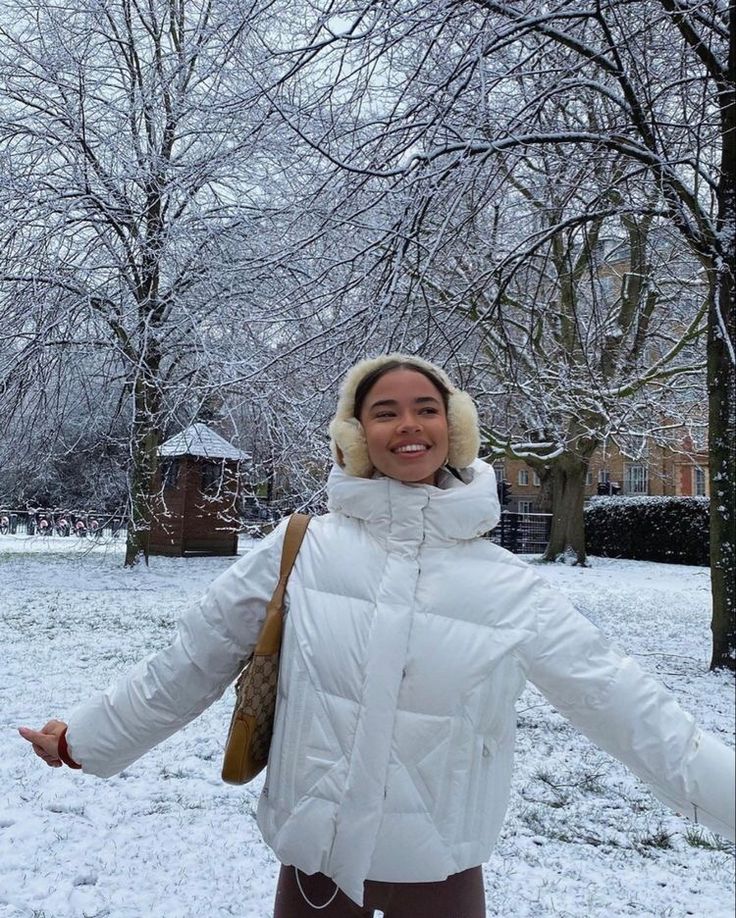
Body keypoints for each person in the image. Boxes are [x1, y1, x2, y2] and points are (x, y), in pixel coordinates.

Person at [19, 354, 735, 918]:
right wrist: (86, 738)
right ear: (357, 436)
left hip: (439, 880)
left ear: (453, 430)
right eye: (384, 412)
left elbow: (628, 705)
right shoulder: (301, 548)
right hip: (316, 879)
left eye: (426, 409)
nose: (407, 425)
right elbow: (189, 661)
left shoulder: (506, 585)